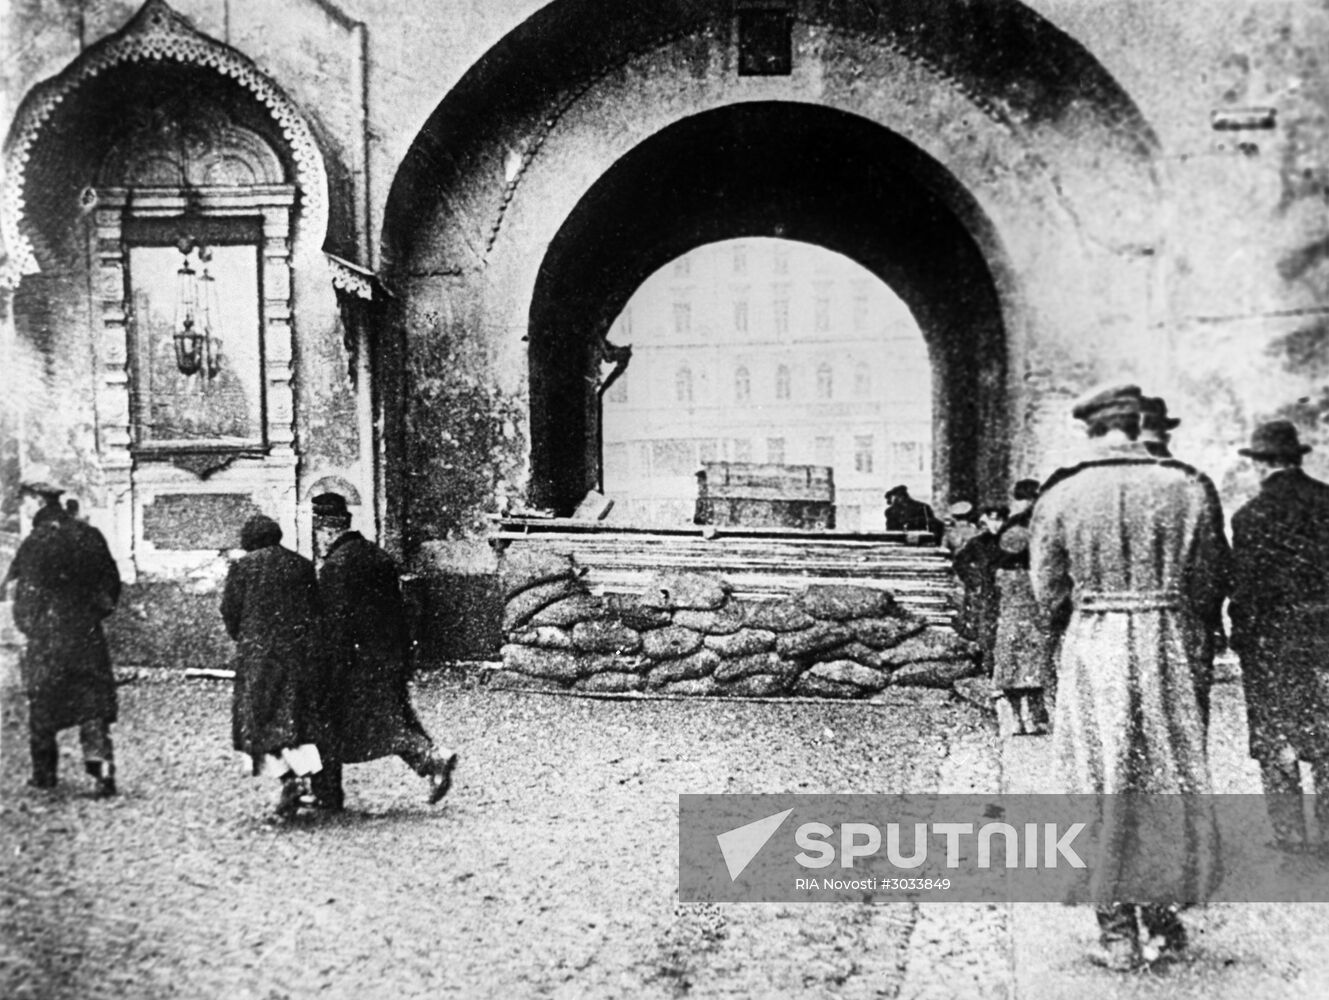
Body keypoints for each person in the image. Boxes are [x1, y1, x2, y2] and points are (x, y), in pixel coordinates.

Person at [1030, 383, 1228, 971]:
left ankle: (1116, 932)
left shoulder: (1063, 493)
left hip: (1095, 645)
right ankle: (1165, 924)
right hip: (1168, 641)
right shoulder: (1186, 488)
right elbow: (1210, 578)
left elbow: (1049, 591)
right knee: (1167, 774)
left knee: (1099, 775)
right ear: (1138, 423)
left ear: (1091, 428)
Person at [306, 493, 457, 810]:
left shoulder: (336, 567)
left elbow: (336, 627)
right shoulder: (378, 556)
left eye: (318, 532)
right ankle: (430, 759)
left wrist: (324, 667)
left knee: (344, 721)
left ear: (327, 530)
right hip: (391, 656)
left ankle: (431, 759)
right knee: (392, 716)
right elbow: (400, 611)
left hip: (355, 663)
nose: (318, 540)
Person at [1228, 420, 1329, 852]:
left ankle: (1289, 836)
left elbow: (1246, 588)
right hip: (1325, 637)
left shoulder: (1251, 516)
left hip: (1273, 641)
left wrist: (1240, 634)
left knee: (1275, 736)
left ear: (1262, 464)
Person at [9, 477, 121, 796]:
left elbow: (25, 594)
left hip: (47, 636)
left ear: (39, 502)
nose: (24, 508)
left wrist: (30, 626)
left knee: (43, 700)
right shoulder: (89, 535)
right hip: (86, 634)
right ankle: (103, 771)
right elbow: (110, 583)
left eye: (26, 502)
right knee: (93, 701)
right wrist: (93, 615)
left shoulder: (36, 542)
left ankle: (44, 774)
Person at [221, 514, 325, 821]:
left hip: (258, 659)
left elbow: (230, 612)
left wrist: (247, 638)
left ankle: (288, 779)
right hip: (297, 656)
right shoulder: (302, 565)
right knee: (295, 718)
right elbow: (315, 610)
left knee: (258, 721)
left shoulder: (242, 567)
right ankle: (303, 779)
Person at [991, 479, 1054, 736]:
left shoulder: (1013, 526)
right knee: (1032, 656)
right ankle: (1033, 716)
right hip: (1028, 591)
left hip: (1013, 595)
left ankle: (1021, 717)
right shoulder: (1038, 524)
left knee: (1013, 656)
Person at [952, 503, 1007, 668]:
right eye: (992, 520)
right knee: (983, 631)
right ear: (985, 521)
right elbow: (960, 563)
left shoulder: (1010, 542)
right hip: (984, 594)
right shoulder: (978, 542)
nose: (995, 525)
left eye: (999, 520)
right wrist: (972, 579)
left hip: (1005, 593)